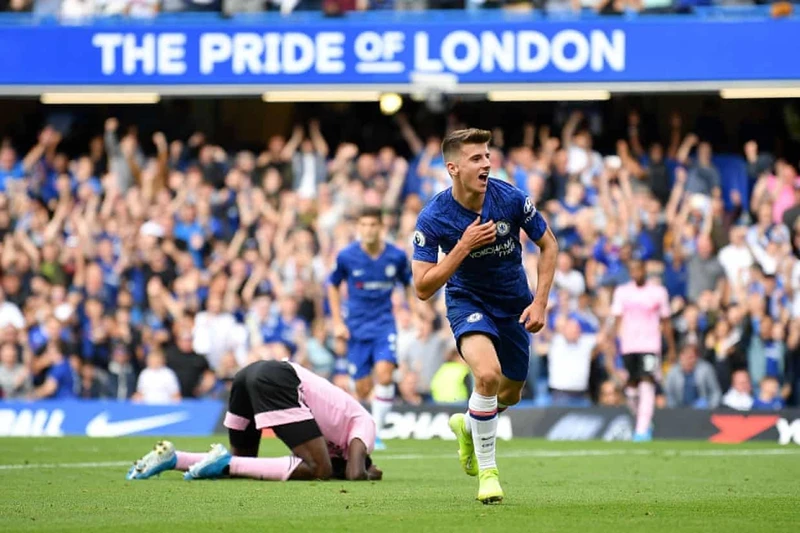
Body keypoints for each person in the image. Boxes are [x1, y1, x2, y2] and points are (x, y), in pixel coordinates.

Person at [411, 128, 558, 504]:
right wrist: (462, 247)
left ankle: (469, 426)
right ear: (453, 168)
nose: (487, 164)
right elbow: (423, 287)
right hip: (468, 300)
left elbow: (548, 244)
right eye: (476, 158)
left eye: (488, 155)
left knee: (510, 392)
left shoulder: (509, 198)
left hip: (512, 304)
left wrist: (539, 302)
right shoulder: (434, 217)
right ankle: (488, 474)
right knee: (488, 375)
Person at [126, 359, 382, 482]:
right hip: (279, 377)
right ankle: (218, 462)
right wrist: (370, 473)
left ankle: (173, 458)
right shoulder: (364, 423)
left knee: (239, 465)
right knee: (320, 469)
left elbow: (344, 468)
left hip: (248, 375)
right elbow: (355, 473)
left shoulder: (338, 440)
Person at [327, 207, 415, 450]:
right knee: (363, 387)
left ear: (381, 227)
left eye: (372, 225)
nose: (368, 230)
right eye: (363, 225)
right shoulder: (346, 256)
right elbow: (332, 286)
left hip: (384, 324)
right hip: (355, 328)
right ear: (358, 228)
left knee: (385, 374)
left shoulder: (396, 256)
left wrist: (412, 309)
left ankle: (374, 432)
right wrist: (337, 322)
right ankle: (365, 425)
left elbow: (407, 283)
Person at [610, 259, 676, 442]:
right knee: (631, 388)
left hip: (650, 345)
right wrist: (612, 345)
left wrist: (671, 347)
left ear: (644, 270)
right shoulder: (622, 292)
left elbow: (666, 321)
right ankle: (643, 419)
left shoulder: (658, 292)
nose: (636, 273)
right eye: (632, 270)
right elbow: (617, 321)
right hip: (628, 345)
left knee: (647, 382)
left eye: (638, 269)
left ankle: (641, 430)